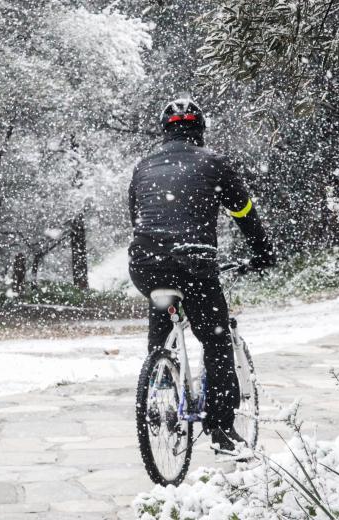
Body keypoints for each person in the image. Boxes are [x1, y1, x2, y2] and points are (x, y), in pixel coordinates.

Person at [128, 98, 276, 453]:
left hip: (145, 263)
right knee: (215, 339)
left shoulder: (143, 166)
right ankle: (223, 430)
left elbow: (137, 216)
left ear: (165, 132)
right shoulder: (214, 164)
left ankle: (160, 380)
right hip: (193, 263)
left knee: (163, 306)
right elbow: (244, 213)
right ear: (201, 130)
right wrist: (262, 253)